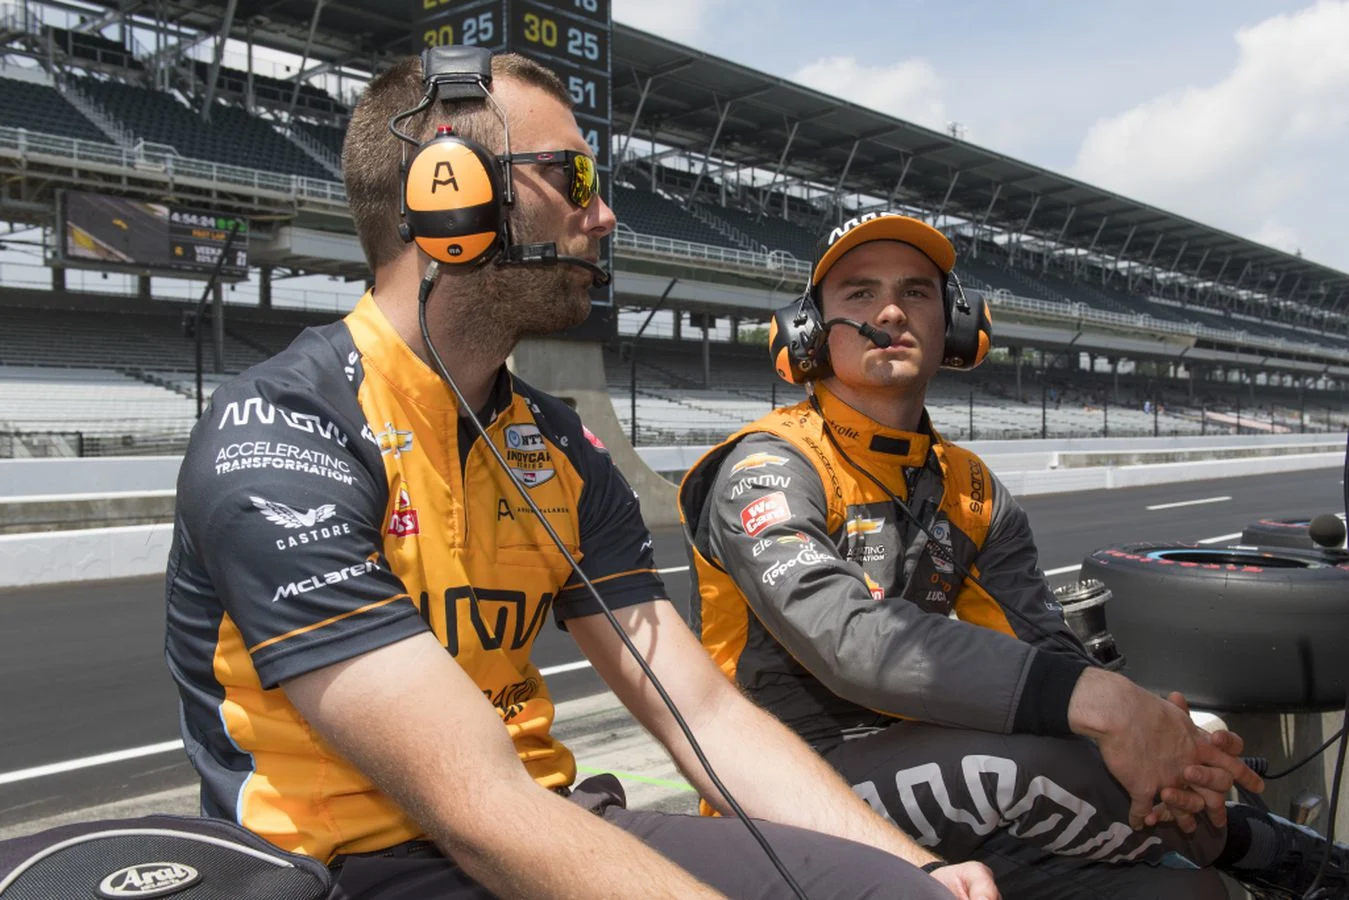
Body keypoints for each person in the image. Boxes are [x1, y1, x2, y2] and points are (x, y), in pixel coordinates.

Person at [164, 52, 999, 900]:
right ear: (449, 194)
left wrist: (921, 868)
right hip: (345, 870)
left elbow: (702, 713)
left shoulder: (559, 446)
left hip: (539, 819)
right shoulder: (279, 433)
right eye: (573, 178)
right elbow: (473, 805)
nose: (602, 215)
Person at [679, 212, 1347, 899]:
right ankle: (1274, 852)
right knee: (1022, 763)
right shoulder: (767, 467)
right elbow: (849, 642)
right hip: (776, 795)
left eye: (915, 292)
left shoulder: (969, 487)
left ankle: (1235, 843)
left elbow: (1044, 650)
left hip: (932, 780)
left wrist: (1155, 735)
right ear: (809, 331)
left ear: (956, 325)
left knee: (1182, 893)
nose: (890, 311)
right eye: (859, 293)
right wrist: (1107, 706)